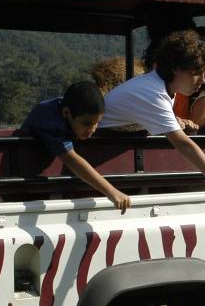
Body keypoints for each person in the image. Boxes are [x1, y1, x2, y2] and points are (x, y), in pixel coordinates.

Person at [100, 30, 205, 214]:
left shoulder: (162, 87)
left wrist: (175, 119)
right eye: (197, 73)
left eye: (204, 74)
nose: (202, 80)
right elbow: (183, 144)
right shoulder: (154, 93)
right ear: (176, 68)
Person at [20, 80, 131, 213]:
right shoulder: (50, 121)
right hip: (24, 183)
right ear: (67, 113)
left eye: (97, 123)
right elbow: (70, 159)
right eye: (86, 124)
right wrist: (112, 192)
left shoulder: (73, 108)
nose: (92, 129)